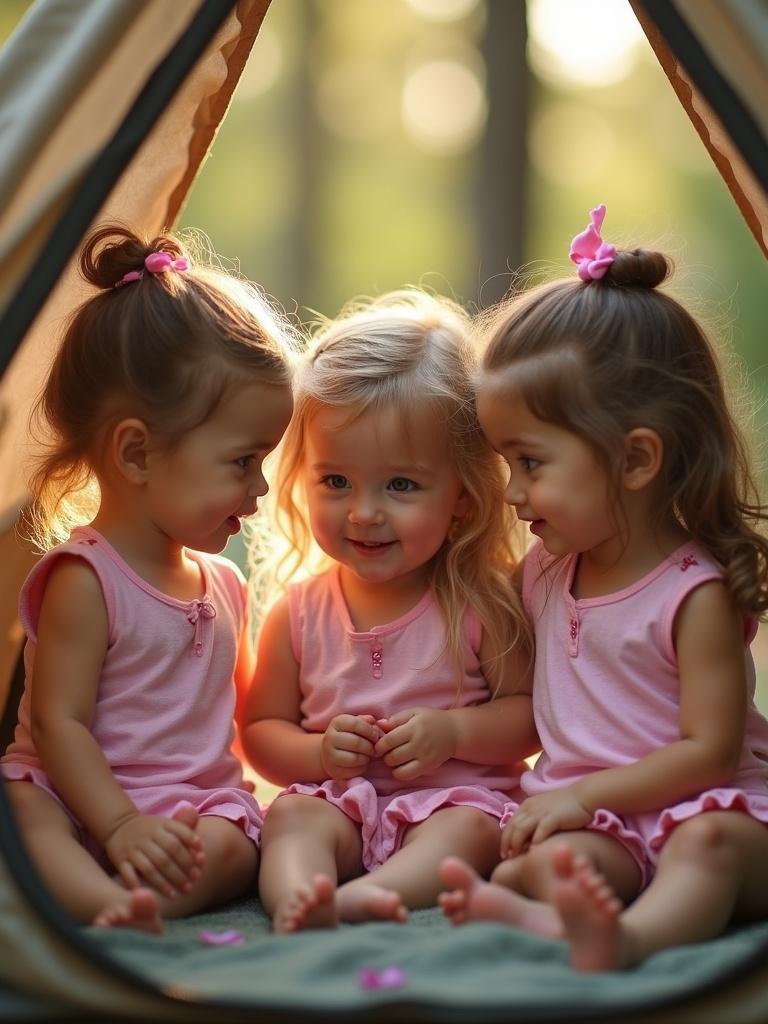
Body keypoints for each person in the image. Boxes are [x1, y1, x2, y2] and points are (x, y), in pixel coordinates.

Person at [438, 204, 768, 971]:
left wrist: (583, 797)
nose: (513, 493)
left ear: (636, 459)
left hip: (720, 812)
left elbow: (710, 753)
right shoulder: (550, 569)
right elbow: (478, 638)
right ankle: (554, 916)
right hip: (604, 825)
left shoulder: (695, 595)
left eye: (531, 463)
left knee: (705, 851)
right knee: (534, 862)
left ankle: (633, 940)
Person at [1, 225, 295, 932]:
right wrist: (121, 824)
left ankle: (151, 900)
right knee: (24, 811)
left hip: (185, 806)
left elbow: (231, 724)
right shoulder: (85, 578)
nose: (259, 488)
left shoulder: (222, 584)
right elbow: (57, 721)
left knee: (237, 842)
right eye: (241, 461)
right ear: (137, 452)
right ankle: (95, 899)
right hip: (75, 796)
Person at [241, 289, 538, 932]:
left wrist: (455, 734)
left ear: (462, 496)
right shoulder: (299, 612)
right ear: (303, 477)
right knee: (291, 817)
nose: (364, 512)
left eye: (400, 485)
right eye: (336, 481)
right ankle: (301, 895)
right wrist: (318, 755)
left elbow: (531, 719)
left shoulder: (483, 602)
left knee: (470, 832)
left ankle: (379, 894)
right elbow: (261, 731)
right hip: (341, 803)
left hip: (457, 802)